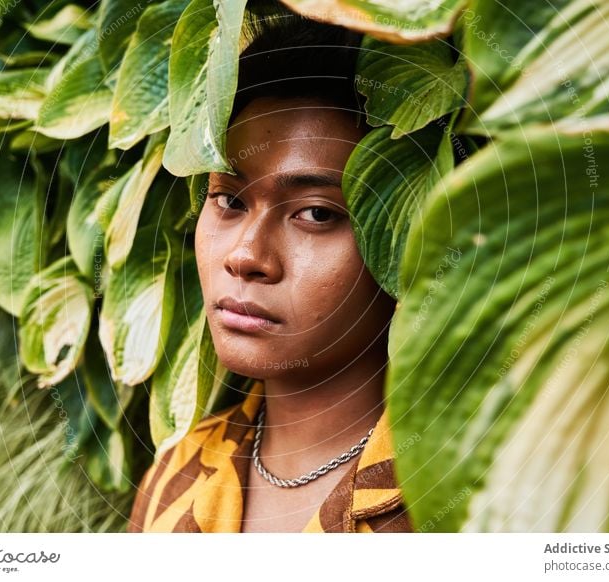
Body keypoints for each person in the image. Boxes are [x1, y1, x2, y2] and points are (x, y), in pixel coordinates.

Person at [127, 9, 413, 533]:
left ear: (408, 236)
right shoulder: (173, 481)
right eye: (228, 200)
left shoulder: (475, 497)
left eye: (318, 214)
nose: (245, 255)